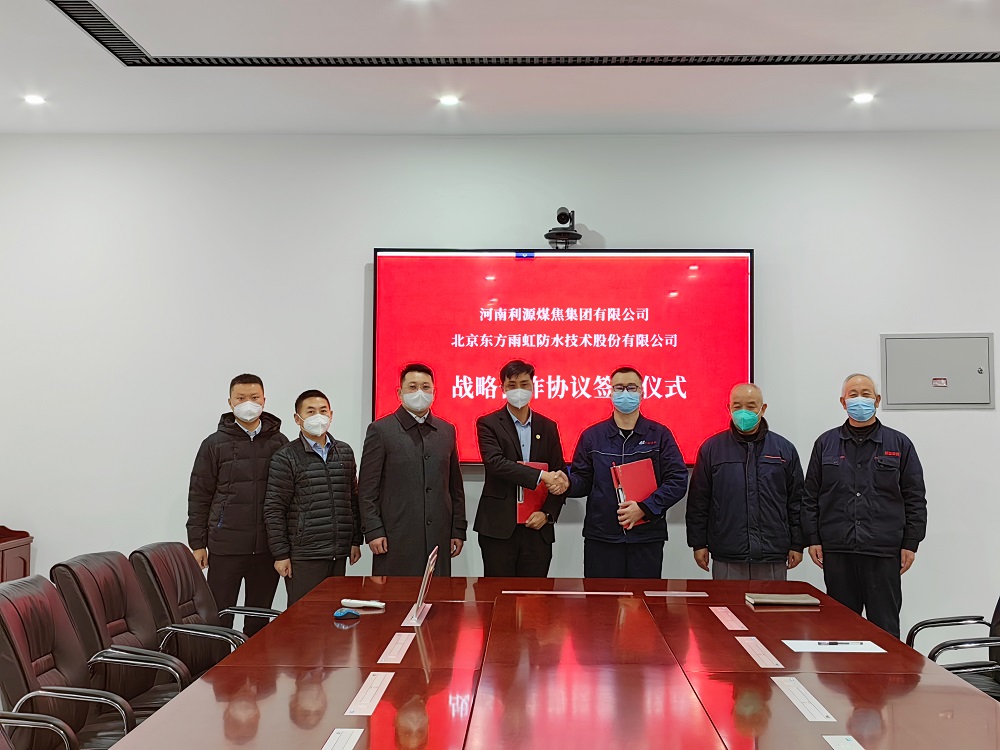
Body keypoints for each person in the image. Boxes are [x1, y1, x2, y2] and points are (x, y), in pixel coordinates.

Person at [801, 373, 928, 638]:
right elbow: (810, 495)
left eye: (866, 394)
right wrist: (812, 538)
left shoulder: (899, 444)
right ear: (843, 402)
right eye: (853, 394)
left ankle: (888, 668)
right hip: (838, 550)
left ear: (877, 400)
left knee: (885, 630)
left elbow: (915, 497)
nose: (860, 399)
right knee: (840, 631)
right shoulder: (825, 444)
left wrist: (911, 542)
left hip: (883, 551)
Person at [186, 373, 288, 636]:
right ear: (230, 402)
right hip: (225, 546)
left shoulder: (279, 442)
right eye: (241, 398)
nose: (248, 403)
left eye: (254, 397)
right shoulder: (214, 444)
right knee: (220, 618)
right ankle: (219, 662)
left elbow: (288, 496)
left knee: (258, 620)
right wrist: (198, 543)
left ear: (264, 400)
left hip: (266, 548)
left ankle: (254, 663)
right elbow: (199, 494)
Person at [566, 366, 688, 578]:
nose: (625, 393)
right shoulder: (592, 436)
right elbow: (583, 481)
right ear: (610, 392)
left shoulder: (660, 435)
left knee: (642, 598)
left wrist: (645, 508)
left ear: (642, 392)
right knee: (602, 598)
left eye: (631, 388)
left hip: (646, 538)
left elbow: (677, 480)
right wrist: (566, 483)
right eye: (619, 388)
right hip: (602, 538)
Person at [686, 383, 805, 580]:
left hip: (772, 552)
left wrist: (797, 544)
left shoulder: (784, 449)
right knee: (727, 601)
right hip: (727, 551)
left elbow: (796, 501)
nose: (743, 412)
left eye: (750, 406)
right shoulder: (711, 449)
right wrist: (698, 544)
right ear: (729, 409)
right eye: (737, 406)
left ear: (762, 409)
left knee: (770, 601)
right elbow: (699, 501)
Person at [358, 363, 467, 576]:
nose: (419, 392)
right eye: (412, 387)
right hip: (395, 537)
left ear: (434, 392)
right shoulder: (381, 430)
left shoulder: (447, 431)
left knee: (438, 594)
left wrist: (458, 529)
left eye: (425, 387)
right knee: (395, 595)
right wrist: (373, 529)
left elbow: (455, 487)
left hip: (438, 537)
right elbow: (367, 489)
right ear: (400, 393)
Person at [264, 389, 362, 606]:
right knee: (305, 617)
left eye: (323, 411)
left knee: (336, 614)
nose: (318, 416)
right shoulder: (286, 457)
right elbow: (274, 508)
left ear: (331, 415)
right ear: (297, 419)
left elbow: (352, 499)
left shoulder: (344, 452)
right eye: (310, 411)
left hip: (339, 552)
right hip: (304, 555)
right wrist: (281, 554)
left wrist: (356, 540)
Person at [474, 359, 569, 577]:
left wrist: (547, 514)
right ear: (503, 388)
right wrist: (541, 476)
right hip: (499, 527)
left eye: (524, 384)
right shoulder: (488, 423)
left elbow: (559, 473)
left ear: (533, 386)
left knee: (535, 593)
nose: (519, 390)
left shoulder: (548, 426)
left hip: (537, 527)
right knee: (497, 592)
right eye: (512, 385)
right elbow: (496, 463)